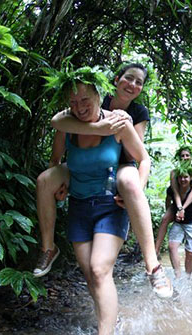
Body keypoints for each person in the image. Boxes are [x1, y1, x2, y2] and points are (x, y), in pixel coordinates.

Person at [46, 69, 172, 335]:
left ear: (98, 96)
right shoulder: (70, 119)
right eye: (74, 101)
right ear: (114, 83)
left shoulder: (129, 115)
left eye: (85, 100)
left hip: (118, 179)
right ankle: (109, 320)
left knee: (100, 268)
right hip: (80, 201)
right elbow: (57, 140)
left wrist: (134, 191)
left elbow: (141, 156)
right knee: (92, 274)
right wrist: (58, 183)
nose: (79, 105)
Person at [34, 63, 153, 277]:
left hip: (121, 164)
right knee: (44, 180)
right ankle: (48, 248)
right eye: (129, 78)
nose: (133, 84)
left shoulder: (138, 112)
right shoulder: (95, 96)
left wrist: (121, 124)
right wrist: (99, 127)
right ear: (116, 80)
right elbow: (59, 122)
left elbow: (138, 152)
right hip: (82, 164)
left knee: (129, 183)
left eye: (139, 82)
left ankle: (152, 263)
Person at [154, 146, 192, 256]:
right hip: (178, 203)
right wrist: (179, 208)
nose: (185, 158)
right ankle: (155, 251)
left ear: (191, 157)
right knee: (165, 219)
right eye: (182, 156)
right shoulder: (174, 173)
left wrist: (183, 208)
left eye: (187, 155)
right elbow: (175, 192)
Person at [164, 162, 192, 278]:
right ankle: (177, 275)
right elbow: (168, 200)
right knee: (172, 246)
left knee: (190, 253)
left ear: (191, 177)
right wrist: (170, 213)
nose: (183, 180)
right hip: (179, 223)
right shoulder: (172, 190)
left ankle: (187, 277)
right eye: (180, 177)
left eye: (185, 177)